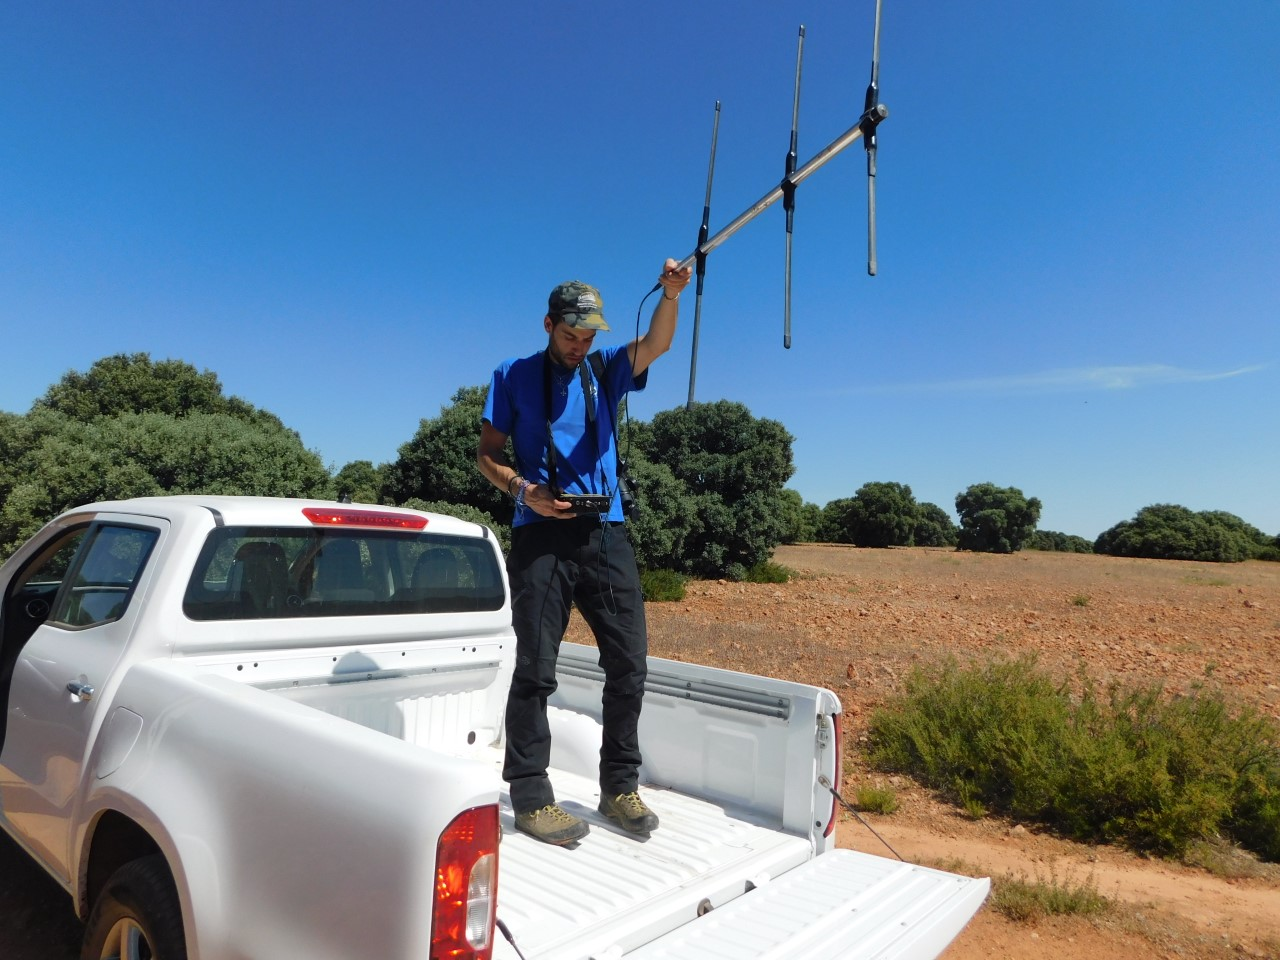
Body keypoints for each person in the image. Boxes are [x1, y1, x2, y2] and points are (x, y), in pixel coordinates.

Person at [477, 258, 692, 845]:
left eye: (588, 336)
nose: (580, 346)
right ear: (548, 324)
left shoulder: (605, 369)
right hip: (541, 531)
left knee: (629, 663)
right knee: (535, 667)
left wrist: (672, 294)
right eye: (571, 335)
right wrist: (524, 490)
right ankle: (530, 796)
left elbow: (657, 344)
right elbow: (487, 454)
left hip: (606, 531)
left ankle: (619, 787)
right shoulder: (512, 374)